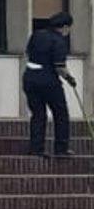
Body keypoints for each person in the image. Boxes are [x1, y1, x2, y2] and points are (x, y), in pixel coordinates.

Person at [23, 11, 76, 159]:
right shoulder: (59, 41)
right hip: (49, 82)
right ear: (65, 27)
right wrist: (70, 79)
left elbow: (28, 53)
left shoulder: (36, 35)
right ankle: (61, 148)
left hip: (29, 78)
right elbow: (59, 67)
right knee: (60, 113)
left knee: (38, 114)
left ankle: (36, 148)